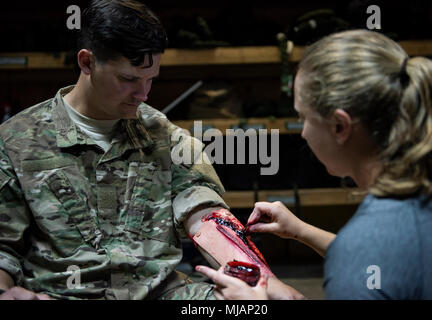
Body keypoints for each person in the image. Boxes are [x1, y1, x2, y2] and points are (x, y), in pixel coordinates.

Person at [0, 0, 300, 300]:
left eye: (151, 79)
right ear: (87, 62)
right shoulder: (17, 140)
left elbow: (208, 219)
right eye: (129, 79)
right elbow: (3, 246)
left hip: (159, 295)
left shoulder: (163, 135)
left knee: (249, 306)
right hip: (57, 294)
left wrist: (265, 283)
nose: (143, 94)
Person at [196, 29, 432, 300]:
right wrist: (301, 232)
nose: (303, 132)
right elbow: (390, 261)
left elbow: (365, 258)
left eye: (305, 117)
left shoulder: (363, 246)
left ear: (339, 126)